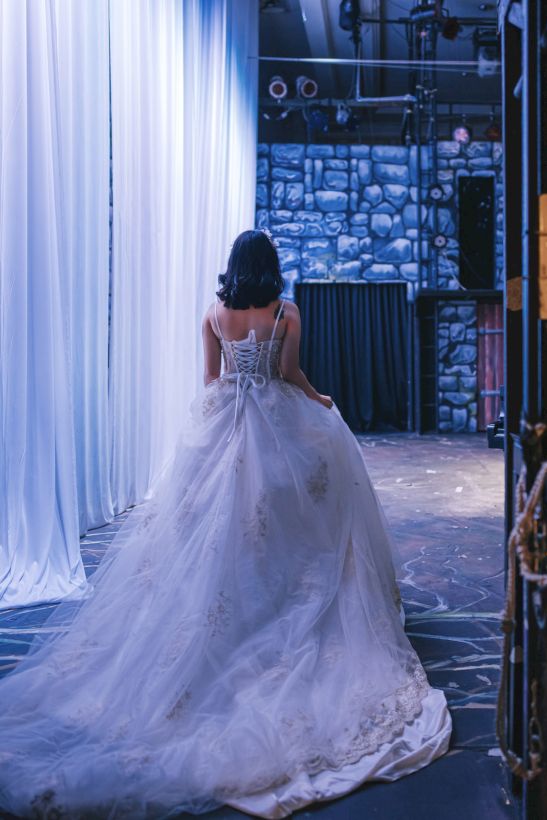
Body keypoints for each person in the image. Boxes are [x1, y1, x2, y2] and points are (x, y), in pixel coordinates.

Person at [0, 229, 451, 819]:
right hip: (274, 418)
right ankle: (287, 594)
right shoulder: (285, 312)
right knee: (302, 501)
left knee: (215, 524)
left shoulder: (214, 312)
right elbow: (288, 374)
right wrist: (318, 399)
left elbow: (211, 382)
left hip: (225, 421)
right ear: (269, 266)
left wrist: (232, 411)